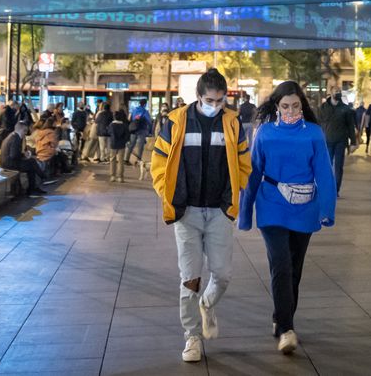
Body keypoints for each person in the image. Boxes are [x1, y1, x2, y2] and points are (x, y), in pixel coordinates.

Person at [150, 68, 251, 363]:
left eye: (221, 100)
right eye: (210, 100)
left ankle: (207, 304)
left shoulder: (232, 123)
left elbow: (244, 162)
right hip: (187, 212)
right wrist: (168, 195)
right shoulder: (176, 121)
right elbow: (158, 162)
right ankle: (192, 337)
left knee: (222, 274)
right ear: (198, 97)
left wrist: (232, 196)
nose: (216, 105)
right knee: (190, 278)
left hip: (219, 212)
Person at [240, 81, 336, 354]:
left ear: (302, 106)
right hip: (272, 206)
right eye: (285, 106)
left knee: (294, 269)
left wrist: (327, 210)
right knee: (280, 265)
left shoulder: (314, 134)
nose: (291, 110)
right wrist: (245, 214)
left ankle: (280, 318)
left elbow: (324, 174)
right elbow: (254, 172)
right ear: (277, 106)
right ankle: (286, 328)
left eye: (295, 105)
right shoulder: (265, 133)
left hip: (305, 207)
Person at [317, 87, 357, 196]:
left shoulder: (345, 109)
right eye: (336, 91)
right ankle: (326, 187)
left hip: (341, 142)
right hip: (327, 142)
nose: (338, 93)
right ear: (331, 93)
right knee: (327, 166)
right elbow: (317, 125)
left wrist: (353, 142)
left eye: (339, 92)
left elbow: (350, 126)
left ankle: (335, 190)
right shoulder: (323, 108)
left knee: (338, 167)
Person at [0, 121, 46, 197]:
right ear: (22, 130)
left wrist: (24, 155)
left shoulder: (11, 136)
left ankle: (35, 186)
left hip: (5, 162)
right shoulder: (16, 139)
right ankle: (37, 184)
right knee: (32, 163)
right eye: (25, 132)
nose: (25, 134)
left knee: (31, 163)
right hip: (9, 164)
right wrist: (23, 156)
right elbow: (14, 155)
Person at [126, 99, 153, 167]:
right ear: (145, 104)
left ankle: (126, 159)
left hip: (134, 130)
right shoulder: (145, 111)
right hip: (142, 130)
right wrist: (150, 131)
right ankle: (138, 161)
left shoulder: (134, 110)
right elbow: (149, 122)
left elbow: (131, 119)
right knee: (140, 146)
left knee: (131, 145)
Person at [109, 109, 129, 183]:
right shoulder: (124, 125)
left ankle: (112, 176)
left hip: (113, 145)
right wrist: (124, 141)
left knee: (112, 160)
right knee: (120, 161)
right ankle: (120, 177)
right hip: (121, 145)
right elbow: (127, 135)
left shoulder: (112, 125)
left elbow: (109, 132)